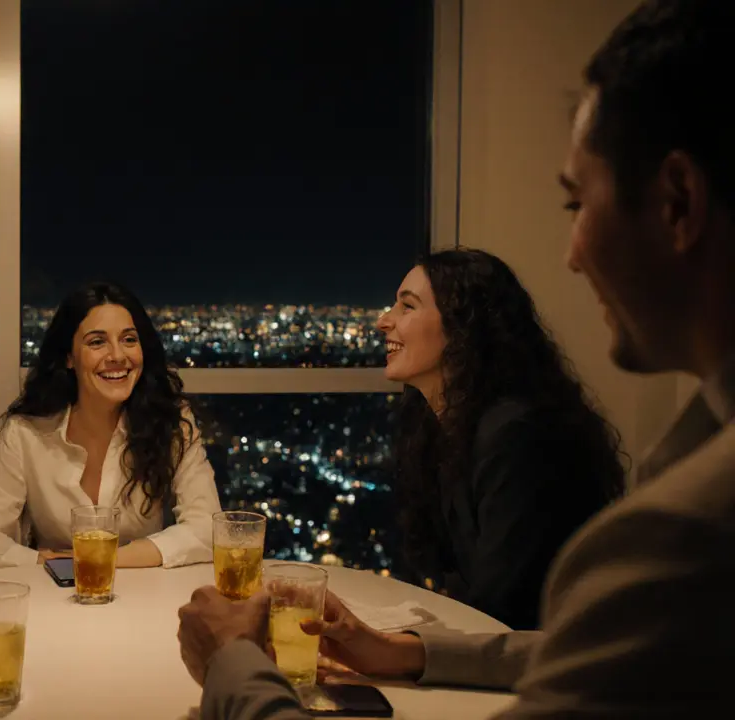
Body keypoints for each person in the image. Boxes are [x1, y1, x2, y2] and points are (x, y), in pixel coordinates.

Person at [177, 0, 735, 716]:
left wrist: (231, 665)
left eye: (575, 204)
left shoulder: (691, 528)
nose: (570, 256)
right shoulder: (688, 459)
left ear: (679, 203)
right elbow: (570, 645)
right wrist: (407, 651)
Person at [378, 248, 623, 630]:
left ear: (462, 326)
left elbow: (505, 609)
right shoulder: (440, 426)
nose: (384, 322)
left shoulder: (519, 435)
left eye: (406, 307)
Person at [0, 282, 221, 568]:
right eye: (97, 342)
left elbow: (207, 529)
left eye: (129, 340)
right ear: (69, 357)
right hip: (54, 601)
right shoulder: (25, 432)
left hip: (147, 602)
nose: (118, 356)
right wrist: (42, 562)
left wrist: (96, 560)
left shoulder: (172, 422)